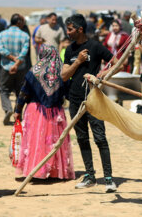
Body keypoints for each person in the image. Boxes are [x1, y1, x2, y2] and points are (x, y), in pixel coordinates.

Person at [61, 14, 117, 192]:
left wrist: (103, 75)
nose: (67, 32)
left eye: (70, 29)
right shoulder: (70, 50)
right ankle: (90, 175)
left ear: (80, 29)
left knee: (100, 138)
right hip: (75, 100)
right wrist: (77, 61)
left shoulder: (94, 46)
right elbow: (63, 76)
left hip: (94, 99)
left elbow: (117, 63)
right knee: (82, 138)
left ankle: (108, 178)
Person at [14, 45, 75, 180]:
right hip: (56, 113)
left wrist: (17, 110)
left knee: (37, 142)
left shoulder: (33, 72)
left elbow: (24, 93)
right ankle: (53, 172)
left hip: (36, 112)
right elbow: (69, 92)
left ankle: (37, 170)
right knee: (53, 142)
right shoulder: (61, 73)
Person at [0, 13, 29, 125]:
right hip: (20, 68)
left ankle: (8, 109)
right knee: (20, 91)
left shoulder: (2, 34)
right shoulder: (25, 36)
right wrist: (17, 63)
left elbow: (1, 50)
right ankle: (17, 113)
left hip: (6, 67)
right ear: (19, 22)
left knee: (3, 90)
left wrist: (12, 60)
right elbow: (24, 52)